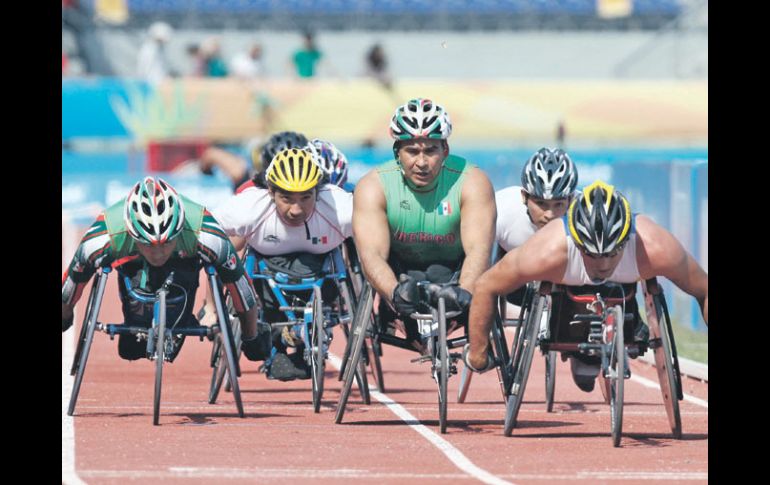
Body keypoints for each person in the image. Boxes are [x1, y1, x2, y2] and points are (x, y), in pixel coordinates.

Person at [465, 180, 708, 393]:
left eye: (612, 253)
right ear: (575, 242)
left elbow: (704, 289)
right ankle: (580, 351)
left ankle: (628, 327)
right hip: (566, 285)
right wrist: (477, 355)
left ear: (627, 241)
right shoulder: (547, 250)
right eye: (591, 253)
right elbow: (486, 286)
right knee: (582, 361)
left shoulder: (656, 248)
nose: (603, 264)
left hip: (621, 285)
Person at [62, 177, 269, 363]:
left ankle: (178, 319)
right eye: (148, 244)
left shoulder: (203, 231)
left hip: (183, 264)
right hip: (134, 265)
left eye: (166, 242)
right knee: (130, 346)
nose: (158, 253)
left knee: (189, 275)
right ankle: (135, 322)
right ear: (130, 232)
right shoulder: (106, 234)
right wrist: (65, 314)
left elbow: (240, 285)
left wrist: (250, 336)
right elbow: (72, 281)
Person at [352, 98, 496, 351]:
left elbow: (479, 250)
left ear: (445, 150)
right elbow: (371, 255)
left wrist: (464, 293)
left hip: (454, 276)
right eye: (412, 151)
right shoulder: (373, 186)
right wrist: (394, 293)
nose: (421, 162)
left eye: (430, 150)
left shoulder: (472, 181)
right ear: (397, 152)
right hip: (401, 277)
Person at [208, 148, 354, 381]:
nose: (296, 210)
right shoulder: (249, 207)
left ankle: (299, 339)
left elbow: (381, 226)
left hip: (321, 275)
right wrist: (211, 304)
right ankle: (274, 340)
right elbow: (205, 230)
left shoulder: (340, 208)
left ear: (318, 192)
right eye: (286, 199)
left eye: (306, 198)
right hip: (266, 278)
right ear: (270, 192)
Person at [136, 21, 174, 85]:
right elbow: (143, 67)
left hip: (160, 82)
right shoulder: (148, 49)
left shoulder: (160, 48)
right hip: (150, 82)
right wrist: (142, 80)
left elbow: (163, 66)